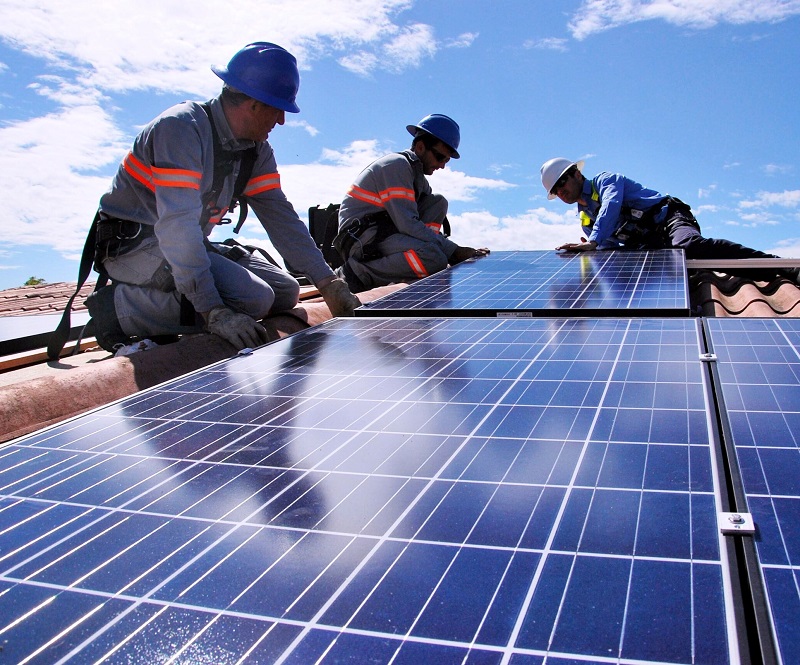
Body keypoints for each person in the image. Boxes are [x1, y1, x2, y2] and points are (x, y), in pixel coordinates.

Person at [85, 42, 360, 353]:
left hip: (182, 243)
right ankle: (118, 308)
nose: (281, 121)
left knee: (286, 291)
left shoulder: (254, 151)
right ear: (254, 104)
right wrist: (213, 311)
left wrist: (328, 282)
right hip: (134, 248)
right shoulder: (181, 129)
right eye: (278, 109)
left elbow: (281, 219)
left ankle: (185, 299)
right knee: (252, 299)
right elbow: (177, 229)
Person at [542, 157, 799, 282]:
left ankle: (782, 267)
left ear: (576, 174)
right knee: (637, 278)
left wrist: (594, 242)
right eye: (555, 191)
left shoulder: (607, 181)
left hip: (669, 219)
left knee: (688, 248)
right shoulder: (586, 221)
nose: (560, 192)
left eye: (561, 182)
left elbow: (610, 207)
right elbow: (612, 252)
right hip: (651, 246)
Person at [334, 114, 489, 293]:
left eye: (446, 161)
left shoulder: (418, 178)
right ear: (421, 147)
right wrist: (453, 251)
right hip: (363, 238)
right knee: (434, 258)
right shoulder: (395, 166)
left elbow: (419, 221)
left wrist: (449, 250)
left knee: (437, 202)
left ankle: (419, 258)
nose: (442, 166)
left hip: (385, 232)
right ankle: (358, 272)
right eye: (440, 157)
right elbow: (407, 223)